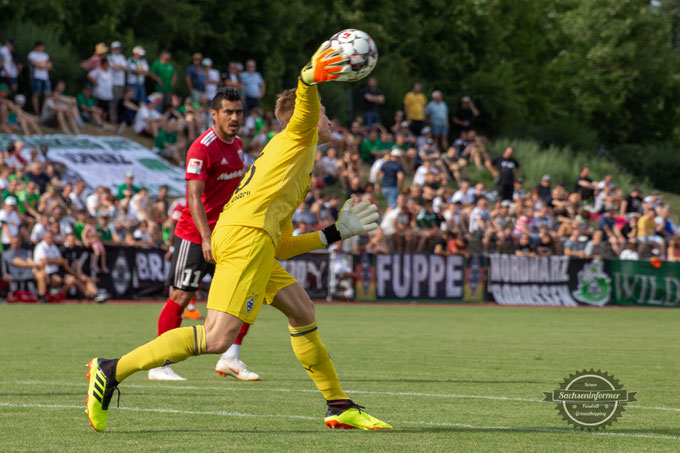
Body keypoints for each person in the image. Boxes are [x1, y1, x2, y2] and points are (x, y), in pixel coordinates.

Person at [86, 42, 391, 432]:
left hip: (255, 240)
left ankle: (338, 404)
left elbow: (280, 245)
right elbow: (307, 105)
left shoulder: (295, 165)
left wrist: (331, 234)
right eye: (324, 115)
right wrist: (307, 79)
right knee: (216, 339)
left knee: (302, 311)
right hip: (245, 238)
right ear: (307, 117)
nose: (328, 121)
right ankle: (110, 371)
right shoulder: (298, 136)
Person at [145, 87, 258, 381]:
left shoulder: (237, 145)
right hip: (196, 236)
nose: (234, 118)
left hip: (228, 237)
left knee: (246, 292)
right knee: (182, 296)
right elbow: (193, 197)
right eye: (228, 112)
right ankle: (159, 364)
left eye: (238, 112)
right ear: (214, 114)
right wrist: (207, 238)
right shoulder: (201, 148)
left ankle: (230, 357)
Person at [27, 41, 52, 114]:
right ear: (37, 47)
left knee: (47, 94)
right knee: (36, 94)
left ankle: (45, 112)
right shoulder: (32, 54)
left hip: (45, 77)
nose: (43, 48)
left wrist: (41, 65)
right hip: (36, 77)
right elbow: (35, 65)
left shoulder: (45, 55)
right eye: (41, 46)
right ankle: (37, 112)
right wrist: (44, 66)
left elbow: (50, 66)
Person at [108, 41, 127, 123]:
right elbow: (115, 68)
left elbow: (126, 68)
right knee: (113, 101)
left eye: (118, 48)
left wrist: (119, 67)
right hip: (113, 82)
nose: (117, 49)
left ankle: (117, 118)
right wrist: (120, 67)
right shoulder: (110, 57)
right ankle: (112, 118)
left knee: (119, 101)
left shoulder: (122, 57)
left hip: (121, 83)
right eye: (116, 48)